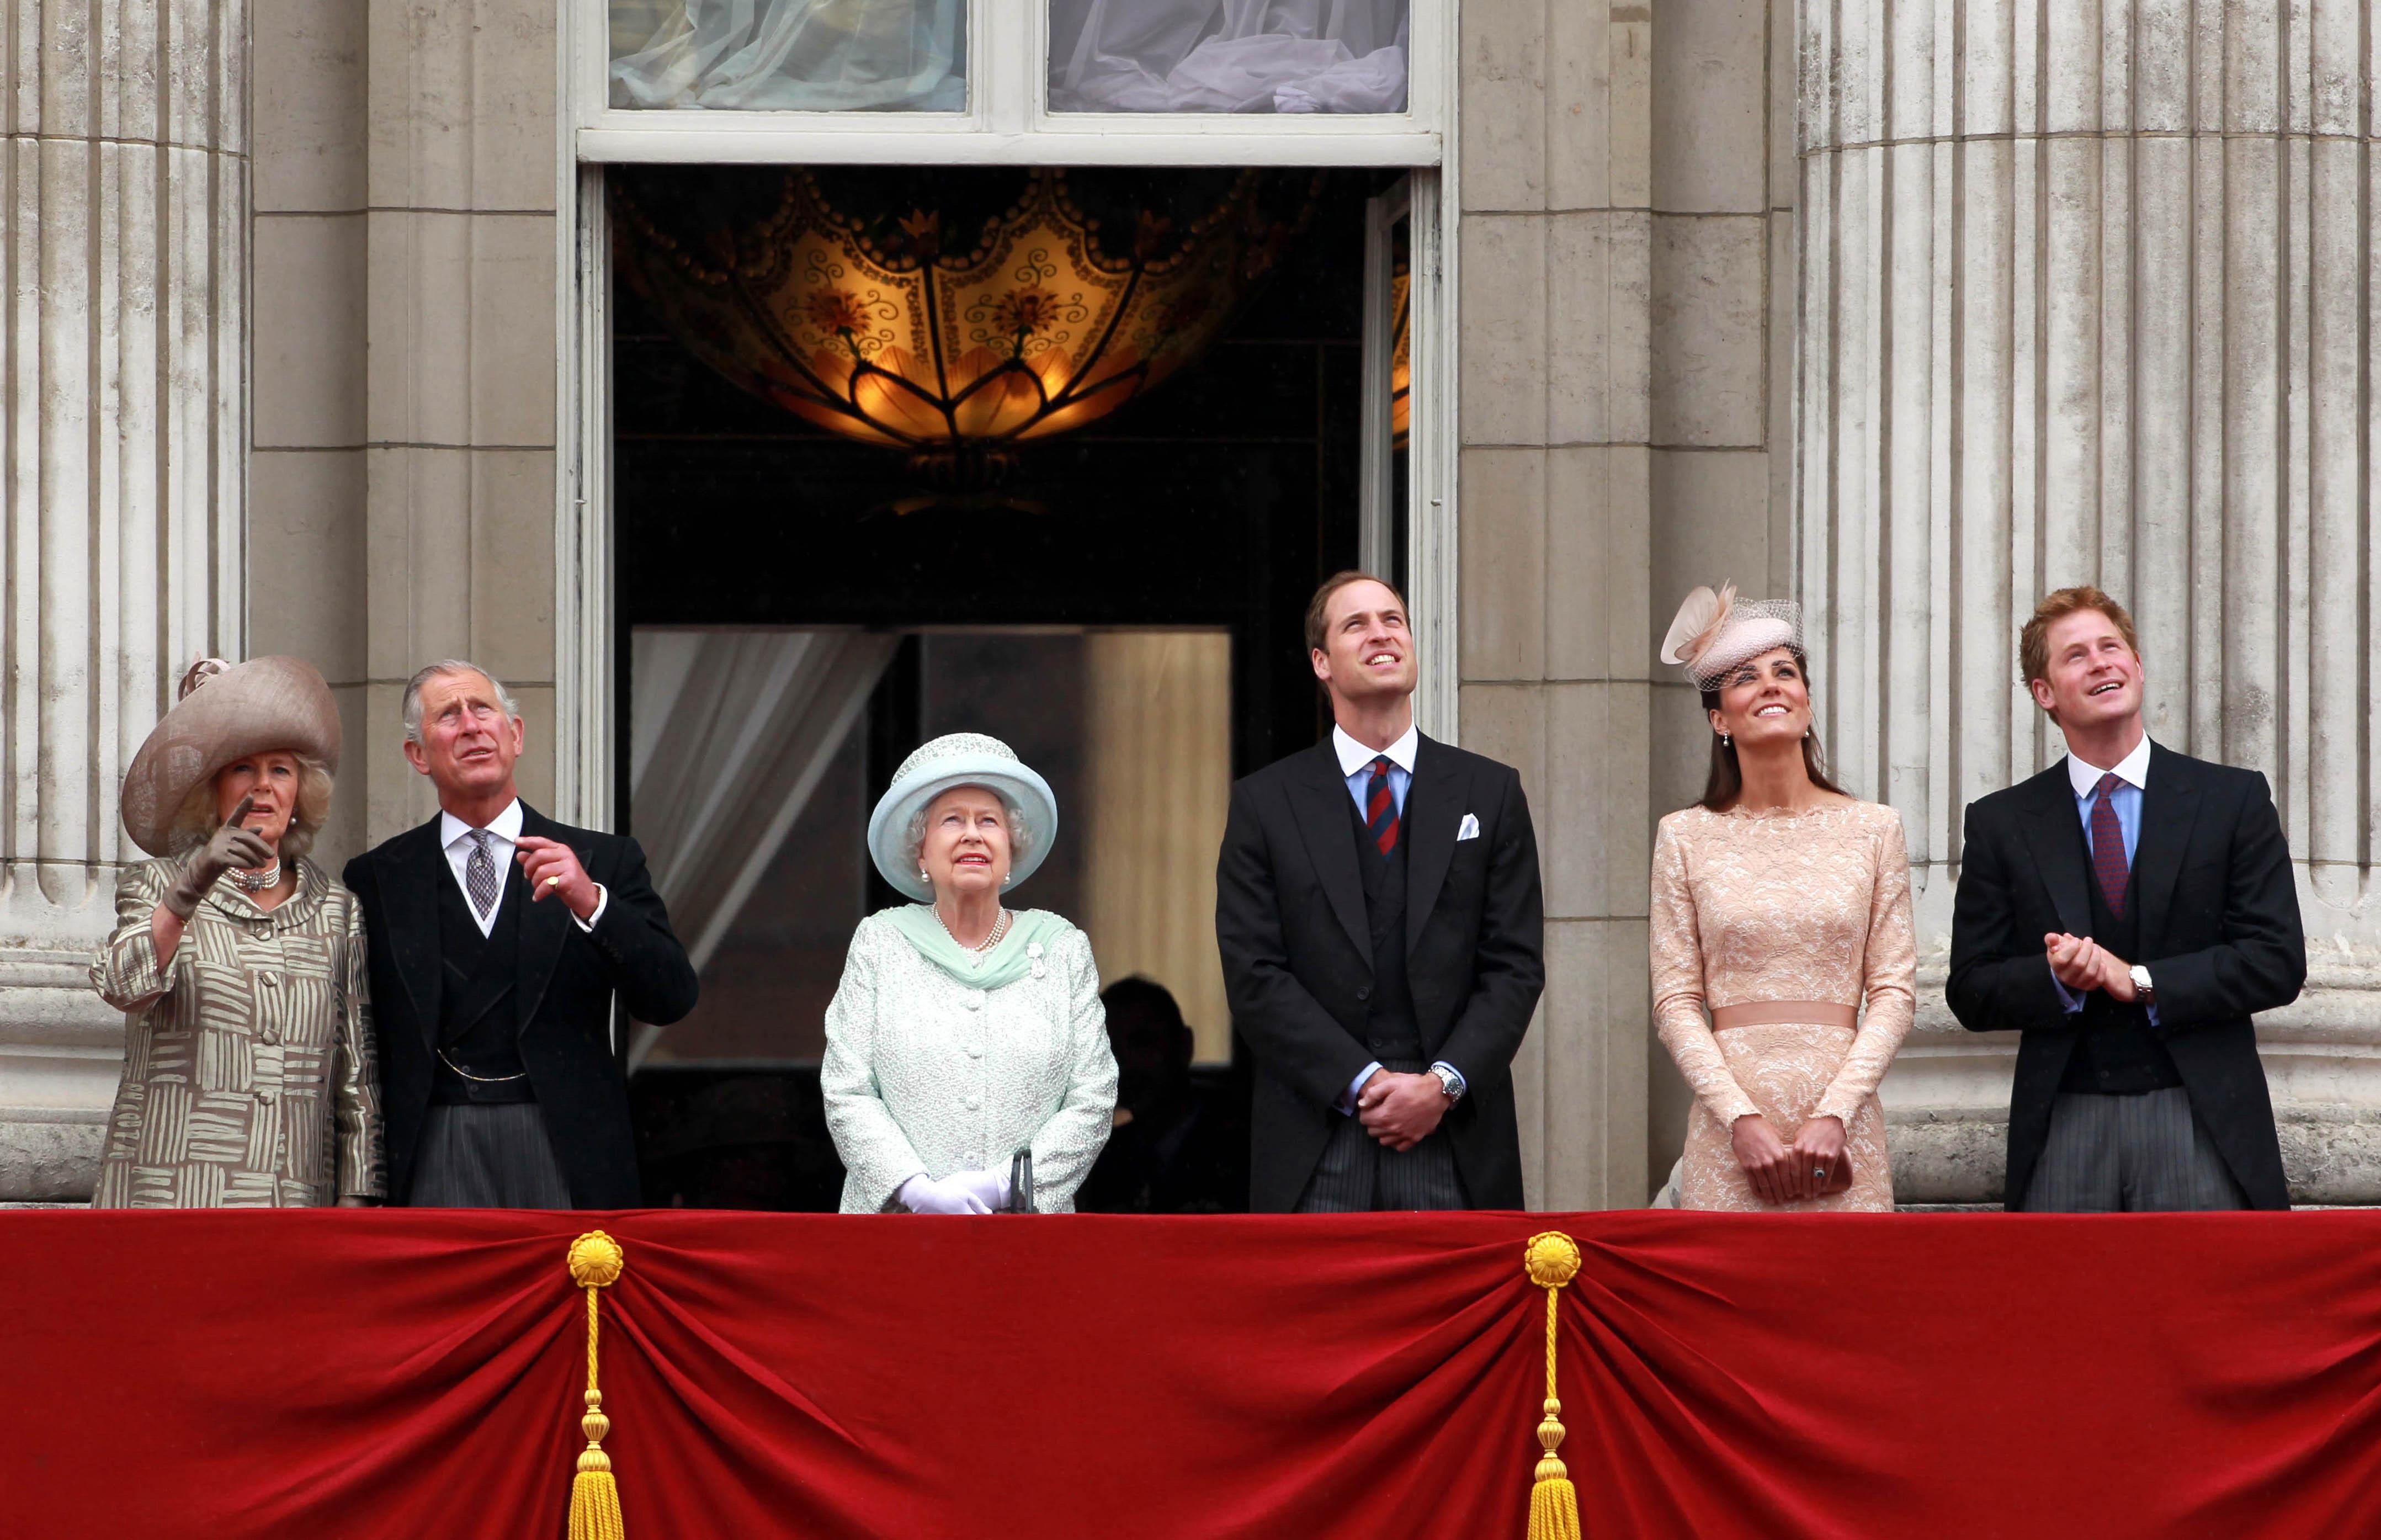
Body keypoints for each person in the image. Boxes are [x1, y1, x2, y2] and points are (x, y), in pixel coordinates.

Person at [1947, 588, 2304, 1212]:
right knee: (2064, 1308)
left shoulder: (2232, 801)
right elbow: (1970, 988)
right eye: (2077, 656)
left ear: (2137, 667)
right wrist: (2055, 978)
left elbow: (2275, 961)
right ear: (2045, 693)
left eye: (2112, 648)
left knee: (2206, 1307)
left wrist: (2139, 979)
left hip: (2200, 1114)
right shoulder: (2002, 822)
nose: (2102, 663)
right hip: (2064, 1119)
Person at [1216, 572, 1544, 1213]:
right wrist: (1363, 1082)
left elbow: (1514, 965)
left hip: (1453, 1132)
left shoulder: (1489, 792)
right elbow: (1254, 973)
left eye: (1393, 620)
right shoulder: (1265, 803)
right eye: (1356, 624)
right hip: (1318, 1133)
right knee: (1317, 1315)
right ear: (1321, 662)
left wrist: (1441, 1085)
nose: (1381, 634)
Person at [343, 660, 698, 1208]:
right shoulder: (378, 877)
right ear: (418, 755)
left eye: (483, 709)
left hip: (564, 1142)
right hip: (434, 1140)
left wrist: (593, 902)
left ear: (515, 735)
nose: (470, 726)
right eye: (448, 716)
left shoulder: (604, 860)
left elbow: (671, 997)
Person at [1646, 585, 1916, 1212]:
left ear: (1807, 702)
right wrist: (1739, 1118)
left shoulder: (1875, 828)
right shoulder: (1683, 836)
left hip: (1844, 1127)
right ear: (1720, 718)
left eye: (1785, 672)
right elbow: (1676, 1000)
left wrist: (1836, 1112)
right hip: (1729, 1130)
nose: (1771, 685)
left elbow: (1896, 993)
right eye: (1746, 676)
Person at [91, 656, 382, 1207]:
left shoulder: (337, 912)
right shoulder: (156, 885)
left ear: (301, 793)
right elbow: (121, 985)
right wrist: (192, 885)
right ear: (213, 789)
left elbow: (357, 1081)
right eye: (243, 769)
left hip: (295, 1205)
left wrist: (361, 1200)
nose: (263, 787)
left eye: (281, 770)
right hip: (170, 1202)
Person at [821, 732, 1117, 1214]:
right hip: (896, 1233)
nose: (973, 834)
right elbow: (846, 1089)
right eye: (952, 820)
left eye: (990, 821)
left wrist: (1005, 1187)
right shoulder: (880, 943)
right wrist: (916, 1191)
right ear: (921, 852)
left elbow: (1094, 1097)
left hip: (1025, 1237)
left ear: (1011, 848)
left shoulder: (1063, 950)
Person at [1077, 976, 1236, 1213]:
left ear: (1184, 1046)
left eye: (1142, 1042)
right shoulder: (1104, 1158)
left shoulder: (1236, 1149)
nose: (1125, 1062)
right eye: (1111, 1048)